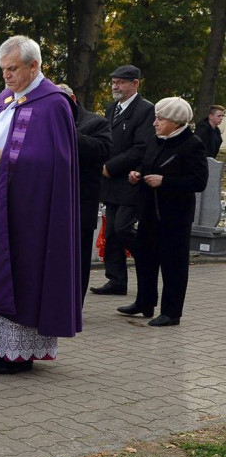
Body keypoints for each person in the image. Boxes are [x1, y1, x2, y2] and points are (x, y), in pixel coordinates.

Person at [0, 36, 81, 375]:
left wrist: (7, 158)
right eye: (3, 69)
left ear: (33, 66)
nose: (6, 76)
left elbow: (57, 163)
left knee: (17, 273)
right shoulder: (4, 99)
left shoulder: (54, 104)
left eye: (12, 69)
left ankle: (16, 352)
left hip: (25, 212)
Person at [117, 98, 208, 327]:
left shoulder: (192, 144)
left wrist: (164, 181)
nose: (155, 122)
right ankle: (144, 302)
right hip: (148, 211)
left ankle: (171, 312)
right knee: (145, 258)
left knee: (173, 264)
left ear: (176, 122)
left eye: (160, 118)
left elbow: (198, 181)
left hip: (174, 216)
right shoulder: (156, 140)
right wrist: (136, 174)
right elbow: (148, 165)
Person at [91, 65, 155, 296]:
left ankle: (149, 256)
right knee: (111, 234)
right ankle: (116, 280)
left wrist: (112, 166)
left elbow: (142, 147)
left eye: (121, 82)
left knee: (123, 228)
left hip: (129, 180)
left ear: (135, 84)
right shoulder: (112, 109)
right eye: (113, 82)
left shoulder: (146, 110)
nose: (115, 86)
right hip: (111, 183)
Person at [58, 83, 112, 300]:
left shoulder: (96, 122)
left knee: (78, 257)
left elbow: (104, 150)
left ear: (71, 99)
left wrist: (70, 133)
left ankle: (74, 304)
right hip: (53, 199)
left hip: (81, 201)